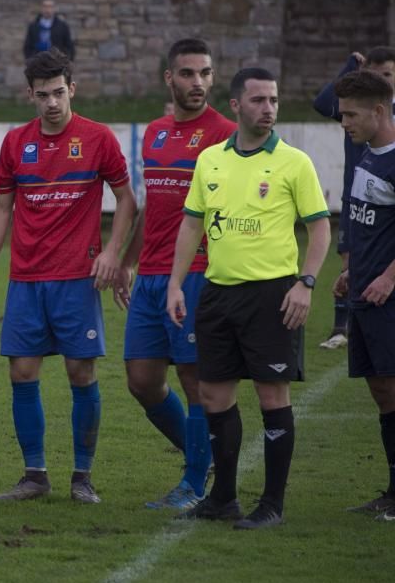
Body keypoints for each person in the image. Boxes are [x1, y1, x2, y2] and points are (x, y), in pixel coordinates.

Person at [167, 67, 331, 530]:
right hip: (218, 294)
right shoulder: (210, 160)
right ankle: (223, 498)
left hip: (272, 295)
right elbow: (192, 224)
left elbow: (319, 226)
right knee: (213, 393)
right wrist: (177, 284)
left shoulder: (294, 163)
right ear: (236, 106)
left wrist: (306, 282)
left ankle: (272, 504)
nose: (269, 109)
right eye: (259, 101)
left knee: (270, 394)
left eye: (274, 101)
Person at [0, 48, 137, 504]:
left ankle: (82, 477)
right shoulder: (14, 143)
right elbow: (2, 206)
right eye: (42, 94)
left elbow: (127, 200)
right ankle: (35, 475)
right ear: (30, 94)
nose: (51, 102)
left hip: (76, 279)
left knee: (80, 371)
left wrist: (111, 251)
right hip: (26, 279)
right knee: (22, 372)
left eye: (59, 93)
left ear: (72, 89)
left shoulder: (98, 138)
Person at [114, 39, 236, 510]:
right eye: (187, 74)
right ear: (169, 78)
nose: (198, 83)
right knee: (142, 380)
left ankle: (192, 484)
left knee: (195, 379)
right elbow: (156, 204)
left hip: (197, 273)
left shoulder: (225, 133)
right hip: (149, 274)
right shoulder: (156, 133)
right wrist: (127, 260)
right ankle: (201, 455)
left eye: (205, 73)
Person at [331, 70, 395, 522]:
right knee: (381, 389)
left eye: (351, 114)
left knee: (392, 387)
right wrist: (351, 270)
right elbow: (364, 220)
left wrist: (390, 278)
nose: (344, 123)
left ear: (379, 111)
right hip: (365, 294)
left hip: (388, 296)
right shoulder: (367, 156)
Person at [312, 46, 395, 350]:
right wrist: (350, 66)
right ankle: (340, 326)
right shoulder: (356, 114)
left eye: (387, 74)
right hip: (356, 198)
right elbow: (323, 103)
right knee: (351, 258)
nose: (345, 122)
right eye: (374, 73)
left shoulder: (380, 123)